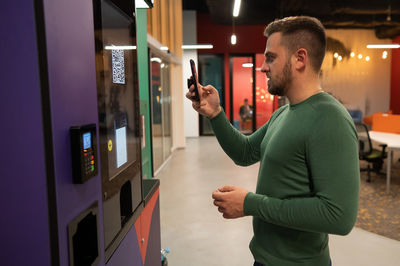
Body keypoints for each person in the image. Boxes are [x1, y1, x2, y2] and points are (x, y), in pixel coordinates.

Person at [186, 16, 359, 266]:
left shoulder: (330, 118)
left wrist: (250, 203)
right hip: (265, 258)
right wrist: (215, 113)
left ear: (300, 58)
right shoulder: (284, 112)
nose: (263, 67)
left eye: (271, 57)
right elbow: (244, 152)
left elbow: (338, 216)